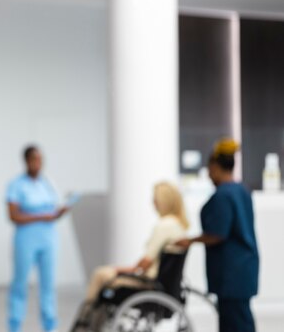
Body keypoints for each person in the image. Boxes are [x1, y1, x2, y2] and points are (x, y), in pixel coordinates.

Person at [72, 181, 189, 331]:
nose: (152, 202)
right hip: (163, 283)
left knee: (101, 275)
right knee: (104, 275)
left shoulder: (164, 226)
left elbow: (146, 262)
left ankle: (85, 322)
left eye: (155, 199)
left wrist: (122, 270)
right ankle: (90, 321)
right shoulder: (178, 225)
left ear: (162, 201)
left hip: (149, 283)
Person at [176, 139, 259, 332]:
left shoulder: (223, 195)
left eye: (210, 168)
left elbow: (217, 233)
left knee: (236, 323)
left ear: (214, 166)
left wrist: (190, 240)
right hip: (243, 268)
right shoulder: (242, 191)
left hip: (232, 271)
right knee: (237, 319)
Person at [6, 145, 69, 332]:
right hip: (26, 238)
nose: (38, 163)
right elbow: (13, 215)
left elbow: (53, 209)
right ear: (26, 161)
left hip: (48, 238)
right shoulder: (16, 184)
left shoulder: (46, 183)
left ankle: (50, 325)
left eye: (41, 160)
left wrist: (60, 211)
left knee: (48, 284)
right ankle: (15, 325)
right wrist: (42, 216)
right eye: (34, 159)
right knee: (20, 283)